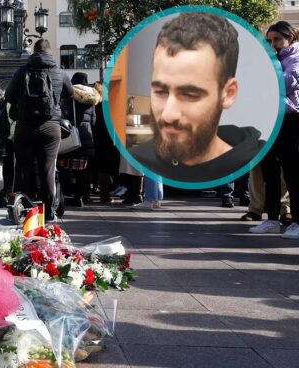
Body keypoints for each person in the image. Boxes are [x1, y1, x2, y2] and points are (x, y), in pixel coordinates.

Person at [129, 12, 265, 183]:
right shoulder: (140, 157)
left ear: (228, 94)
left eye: (190, 95)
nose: (168, 115)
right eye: (160, 91)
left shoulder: (256, 159)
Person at [5, 38, 73, 221]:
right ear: (50, 52)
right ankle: (49, 212)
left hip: (24, 127)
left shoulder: (22, 71)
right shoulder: (60, 72)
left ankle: (23, 212)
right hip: (51, 126)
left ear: (34, 52)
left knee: (22, 168)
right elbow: (71, 93)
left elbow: (8, 95)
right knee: (48, 170)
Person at [250, 21, 299, 239]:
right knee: (269, 171)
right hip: (271, 120)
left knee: (292, 172)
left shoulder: (294, 57)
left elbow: (288, 83)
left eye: (277, 39)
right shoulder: (274, 59)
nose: (273, 44)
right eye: (269, 40)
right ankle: (271, 219)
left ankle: (297, 222)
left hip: (291, 120)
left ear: (289, 38)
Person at [59, 72, 98, 207]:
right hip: (87, 136)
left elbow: (64, 114)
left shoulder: (70, 95)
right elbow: (93, 121)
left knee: (65, 166)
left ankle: (67, 194)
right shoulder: (93, 97)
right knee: (82, 170)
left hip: (73, 135)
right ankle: (80, 197)